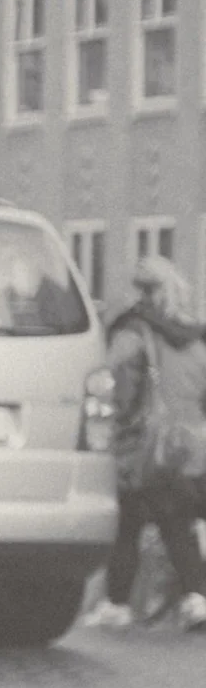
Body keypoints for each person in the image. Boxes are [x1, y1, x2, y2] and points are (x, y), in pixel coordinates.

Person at [83, 254, 206, 631]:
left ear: (140, 291)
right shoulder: (195, 336)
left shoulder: (133, 333)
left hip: (147, 448)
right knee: (172, 522)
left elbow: (114, 385)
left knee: (132, 524)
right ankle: (195, 599)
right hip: (191, 448)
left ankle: (119, 604)